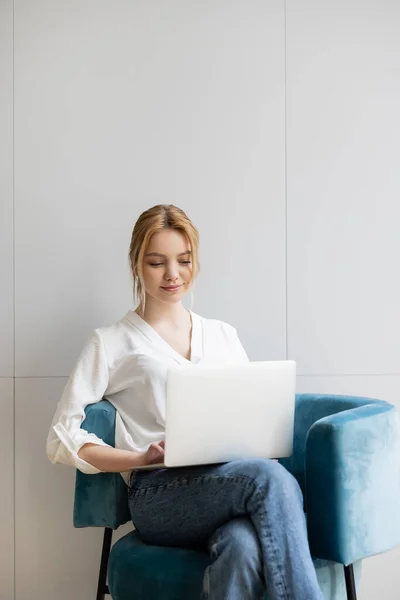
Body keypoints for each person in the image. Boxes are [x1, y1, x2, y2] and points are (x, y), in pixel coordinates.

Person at [46, 204, 323, 600]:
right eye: (157, 262)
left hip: (228, 482)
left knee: (242, 545)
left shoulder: (223, 335)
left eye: (184, 260)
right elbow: (61, 438)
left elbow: (252, 415)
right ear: (136, 265)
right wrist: (138, 458)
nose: (172, 274)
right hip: (158, 492)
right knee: (270, 480)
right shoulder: (111, 342)